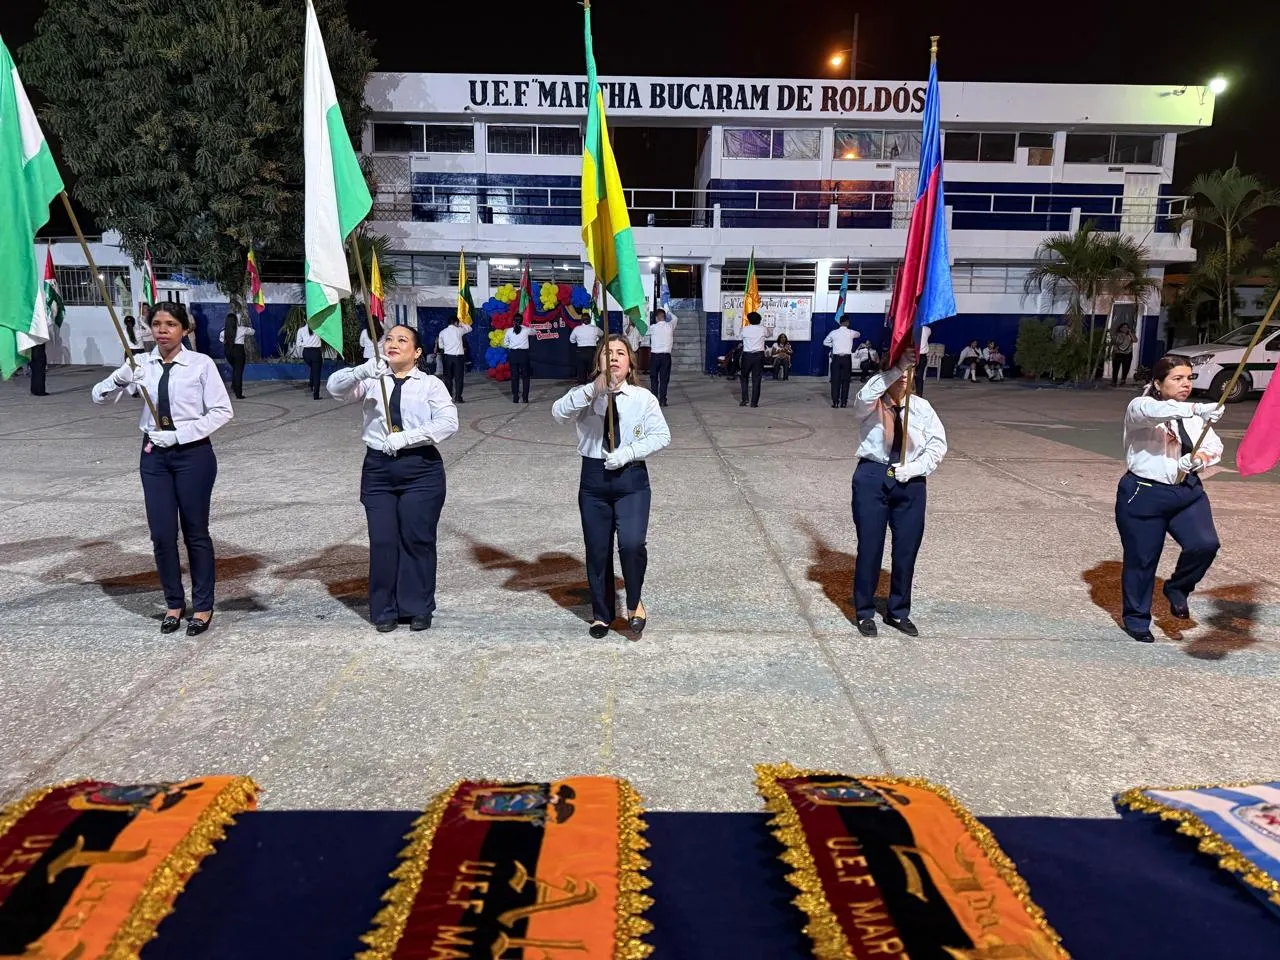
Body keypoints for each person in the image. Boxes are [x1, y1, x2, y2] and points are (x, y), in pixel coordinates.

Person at [90, 302, 233, 636]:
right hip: (154, 455)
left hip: (192, 455)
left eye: (170, 324)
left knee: (195, 532)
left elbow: (222, 411)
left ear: (184, 329)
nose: (163, 330)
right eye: (156, 324)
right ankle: (173, 602)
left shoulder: (200, 364)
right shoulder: (140, 363)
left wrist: (181, 434)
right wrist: (120, 377)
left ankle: (203, 605)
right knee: (161, 533)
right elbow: (98, 397)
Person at [327, 324, 458, 633]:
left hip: (420, 469)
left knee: (417, 539)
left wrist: (408, 438)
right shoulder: (373, 381)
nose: (393, 344)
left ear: (417, 352)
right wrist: (360, 372)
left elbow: (448, 423)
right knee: (383, 540)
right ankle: (384, 607)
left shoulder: (430, 385)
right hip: (379, 469)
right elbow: (335, 389)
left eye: (403, 340)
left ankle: (418, 606)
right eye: (389, 338)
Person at [552, 335, 671, 639]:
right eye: (607, 353)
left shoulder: (642, 398)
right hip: (593, 480)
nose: (614, 357)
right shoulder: (584, 395)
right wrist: (593, 390)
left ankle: (633, 603)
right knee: (597, 549)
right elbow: (558, 413)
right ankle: (602, 613)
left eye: (621, 353)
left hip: (631, 478)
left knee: (631, 545)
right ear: (598, 363)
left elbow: (662, 436)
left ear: (630, 362)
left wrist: (629, 452)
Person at [1114, 356, 1225, 643]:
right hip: (1144, 493)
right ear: (1157, 383)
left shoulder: (1195, 415)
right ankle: (1137, 618)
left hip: (1186, 492)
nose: (1186, 384)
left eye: (1189, 378)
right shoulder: (1140, 407)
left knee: (1205, 544)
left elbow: (1214, 445)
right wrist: (1196, 408)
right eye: (1177, 378)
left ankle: (1178, 587)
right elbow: (1154, 411)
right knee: (1142, 560)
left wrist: (1199, 459)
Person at [849, 347, 948, 638]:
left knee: (906, 550)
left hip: (911, 482)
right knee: (870, 547)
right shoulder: (872, 404)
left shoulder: (921, 407)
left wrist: (916, 468)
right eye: (898, 373)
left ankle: (898, 611)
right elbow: (864, 396)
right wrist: (896, 366)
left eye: (907, 373)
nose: (903, 378)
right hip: (873, 477)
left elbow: (937, 444)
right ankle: (865, 611)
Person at [823, 317, 860, 407]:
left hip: (836, 358)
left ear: (840, 322)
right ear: (847, 322)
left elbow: (825, 342)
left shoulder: (833, 333)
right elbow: (859, 334)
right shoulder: (851, 332)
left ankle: (835, 402)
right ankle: (844, 402)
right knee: (845, 381)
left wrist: (833, 345)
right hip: (846, 359)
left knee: (835, 381)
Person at [222, 312, 256, 400]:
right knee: (238, 372)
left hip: (228, 351)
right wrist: (241, 325)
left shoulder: (223, 331)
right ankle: (238, 393)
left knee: (235, 369)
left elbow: (221, 340)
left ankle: (233, 386)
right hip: (238, 351)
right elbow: (253, 332)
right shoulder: (242, 329)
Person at [437, 316, 471, 402]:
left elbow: (441, 346)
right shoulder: (459, 330)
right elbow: (469, 328)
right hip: (458, 358)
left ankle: (448, 397)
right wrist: (462, 323)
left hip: (447, 357)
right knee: (458, 378)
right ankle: (458, 397)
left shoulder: (442, 332)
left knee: (448, 378)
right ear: (456, 323)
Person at [647, 307, 677, 406]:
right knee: (664, 379)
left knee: (654, 378)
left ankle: (655, 399)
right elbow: (675, 318)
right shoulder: (670, 326)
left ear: (656, 318)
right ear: (665, 317)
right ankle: (663, 400)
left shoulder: (653, 327)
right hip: (666, 357)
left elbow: (643, 332)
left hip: (655, 357)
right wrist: (668, 311)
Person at [739, 312, 766, 407]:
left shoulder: (745, 329)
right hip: (759, 356)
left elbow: (739, 337)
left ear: (749, 320)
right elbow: (769, 335)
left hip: (747, 356)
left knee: (744, 377)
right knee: (756, 379)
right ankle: (754, 403)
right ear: (759, 320)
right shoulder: (763, 329)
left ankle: (745, 399)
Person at [503, 317, 531, 404]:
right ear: (522, 321)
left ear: (513, 321)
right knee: (525, 377)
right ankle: (525, 398)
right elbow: (534, 331)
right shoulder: (526, 330)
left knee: (514, 377)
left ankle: (515, 397)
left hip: (513, 355)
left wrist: (511, 345)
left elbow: (505, 343)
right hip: (523, 355)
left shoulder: (509, 331)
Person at [570, 320, 604, 385]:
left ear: (581, 320)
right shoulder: (595, 328)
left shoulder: (577, 329)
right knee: (592, 368)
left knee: (581, 369)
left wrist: (577, 341)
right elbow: (602, 334)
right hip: (592, 350)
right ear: (590, 320)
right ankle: (593, 384)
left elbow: (571, 340)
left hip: (581, 350)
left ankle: (582, 385)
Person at [295, 322, 323, 399]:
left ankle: (311, 385)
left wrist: (306, 343)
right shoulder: (319, 328)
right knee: (316, 373)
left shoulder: (301, 330)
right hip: (316, 353)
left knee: (313, 369)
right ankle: (316, 395)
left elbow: (298, 343)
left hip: (306, 353)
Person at [1111, 323, 1135, 388]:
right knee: (1116, 368)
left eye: (1127, 327)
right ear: (1120, 328)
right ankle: (1114, 381)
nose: (1125, 329)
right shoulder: (1117, 335)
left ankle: (1123, 380)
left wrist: (1130, 333)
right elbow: (1115, 342)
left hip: (1128, 353)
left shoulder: (1130, 335)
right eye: (1124, 327)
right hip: (1118, 353)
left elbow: (1135, 340)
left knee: (1126, 367)